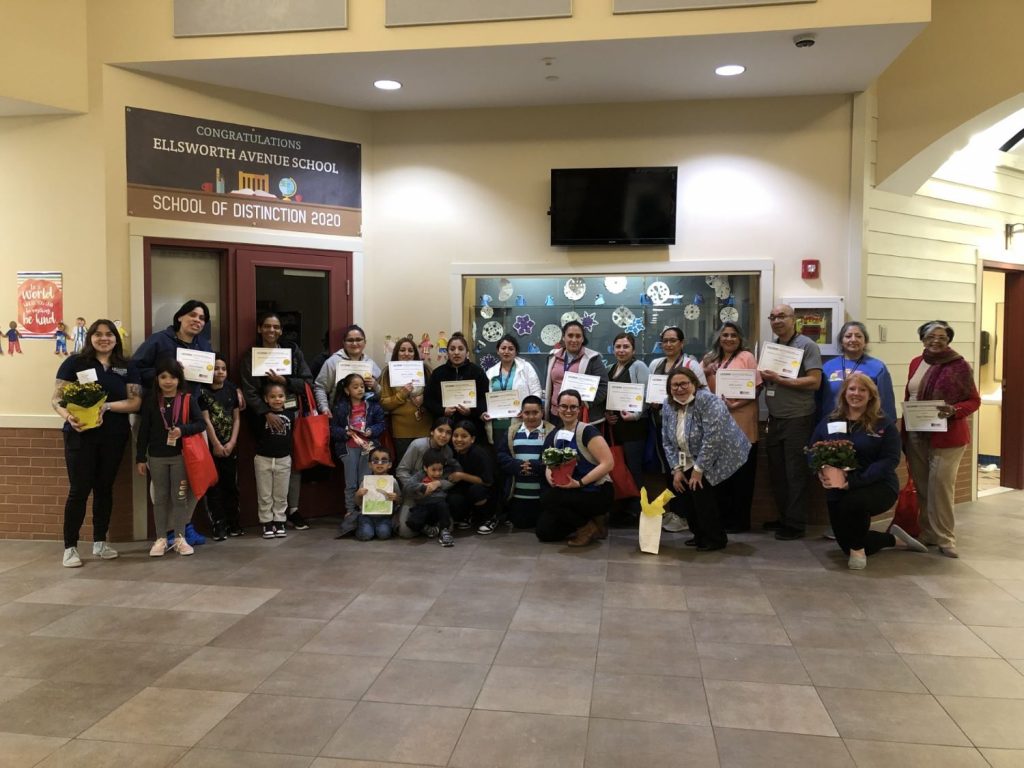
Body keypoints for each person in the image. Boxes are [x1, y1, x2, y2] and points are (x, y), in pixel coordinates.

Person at [810, 374, 929, 569]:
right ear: (844, 393)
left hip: (878, 486)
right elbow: (813, 448)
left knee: (853, 503)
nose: (856, 394)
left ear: (871, 395)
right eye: (852, 389)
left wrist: (854, 482)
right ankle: (893, 540)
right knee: (845, 544)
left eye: (862, 390)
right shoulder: (830, 420)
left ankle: (858, 552)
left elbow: (889, 460)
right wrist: (821, 472)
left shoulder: (883, 424)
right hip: (837, 488)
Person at [51, 319, 141, 567]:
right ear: (90, 337)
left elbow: (135, 402)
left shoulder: (126, 366)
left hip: (114, 436)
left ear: (116, 338)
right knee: (79, 490)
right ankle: (70, 547)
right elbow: (57, 399)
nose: (104, 338)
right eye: (98, 334)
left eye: (109, 334)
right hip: (80, 435)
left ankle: (100, 542)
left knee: (104, 489)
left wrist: (107, 406)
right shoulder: (75, 363)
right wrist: (68, 416)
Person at [903, 320, 980, 558]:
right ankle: (928, 533)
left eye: (942, 337)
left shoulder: (959, 366)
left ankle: (946, 538)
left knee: (942, 488)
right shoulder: (916, 362)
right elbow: (911, 395)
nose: (936, 340)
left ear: (948, 341)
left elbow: (973, 400)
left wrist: (954, 410)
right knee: (924, 487)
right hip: (917, 432)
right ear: (922, 339)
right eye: (931, 336)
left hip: (948, 437)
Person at [239, 311, 314, 531]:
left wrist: (285, 381)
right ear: (259, 329)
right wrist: (266, 413)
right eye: (268, 326)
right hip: (262, 418)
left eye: (276, 327)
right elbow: (249, 390)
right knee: (266, 466)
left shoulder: (292, 351)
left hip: (291, 413)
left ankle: (290, 511)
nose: (272, 330)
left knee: (291, 463)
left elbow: (306, 382)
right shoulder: (251, 355)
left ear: (281, 331)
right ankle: (267, 519)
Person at [661, 368, 750, 551]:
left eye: (684, 383)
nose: (679, 389)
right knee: (686, 497)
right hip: (688, 456)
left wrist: (698, 470)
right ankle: (699, 534)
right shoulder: (668, 404)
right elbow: (667, 440)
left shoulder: (708, 401)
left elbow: (712, 438)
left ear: (694, 383)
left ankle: (715, 539)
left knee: (703, 497)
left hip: (720, 455)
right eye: (674, 385)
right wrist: (676, 469)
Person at [761, 303, 823, 540]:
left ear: (793, 319)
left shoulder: (807, 345)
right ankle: (785, 517)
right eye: (773, 316)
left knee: (795, 472)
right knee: (777, 472)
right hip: (775, 418)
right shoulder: (773, 347)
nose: (777, 321)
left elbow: (814, 381)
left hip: (798, 418)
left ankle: (795, 524)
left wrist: (779, 379)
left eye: (782, 316)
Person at [135, 358, 206, 557]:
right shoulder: (150, 401)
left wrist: (182, 430)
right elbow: (143, 432)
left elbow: (201, 424)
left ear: (179, 379)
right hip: (156, 457)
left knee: (180, 497)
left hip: (180, 457)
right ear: (157, 378)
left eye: (173, 377)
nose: (168, 381)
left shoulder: (187, 400)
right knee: (160, 498)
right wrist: (140, 458)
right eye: (163, 377)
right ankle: (160, 539)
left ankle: (180, 537)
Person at [701, 322, 761, 533]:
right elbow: (697, 385)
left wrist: (736, 404)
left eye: (733, 335)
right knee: (719, 477)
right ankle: (721, 519)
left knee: (742, 478)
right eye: (724, 335)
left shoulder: (746, 357)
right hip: (717, 426)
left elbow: (756, 387)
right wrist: (705, 370)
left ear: (739, 338)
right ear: (718, 338)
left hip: (742, 423)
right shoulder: (710, 359)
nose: (728, 339)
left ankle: (739, 522)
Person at [536, 389, 615, 546]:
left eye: (573, 407)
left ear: (579, 409)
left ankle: (586, 528)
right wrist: (549, 476)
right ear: (557, 408)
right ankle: (591, 523)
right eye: (564, 406)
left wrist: (579, 483)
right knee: (545, 532)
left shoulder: (587, 431)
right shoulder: (555, 434)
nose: (568, 410)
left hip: (596, 491)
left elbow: (608, 463)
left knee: (548, 498)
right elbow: (548, 462)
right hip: (570, 491)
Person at [648, 325, 707, 531]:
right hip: (663, 426)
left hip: (687, 428)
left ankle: (685, 515)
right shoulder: (656, 364)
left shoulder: (691, 364)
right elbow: (650, 392)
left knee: (687, 468)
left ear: (681, 343)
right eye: (665, 340)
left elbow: (703, 393)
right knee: (670, 469)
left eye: (673, 340)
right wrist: (652, 402)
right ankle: (675, 512)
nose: (668, 344)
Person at [330, 373, 386, 537]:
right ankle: (349, 510)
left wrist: (371, 430)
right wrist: (345, 432)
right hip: (348, 448)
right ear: (347, 390)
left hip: (368, 448)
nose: (360, 389)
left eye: (362, 386)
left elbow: (381, 424)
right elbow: (333, 429)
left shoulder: (373, 405)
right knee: (351, 482)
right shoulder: (340, 407)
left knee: (366, 480)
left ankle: (364, 508)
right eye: (355, 387)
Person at [605, 332, 650, 520]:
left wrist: (636, 415)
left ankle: (637, 511)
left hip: (634, 428)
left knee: (634, 469)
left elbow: (647, 394)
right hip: (615, 429)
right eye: (618, 346)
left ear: (633, 350)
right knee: (618, 469)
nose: (621, 350)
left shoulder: (638, 366)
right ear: (613, 349)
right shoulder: (610, 368)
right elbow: (607, 398)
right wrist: (607, 414)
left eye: (626, 347)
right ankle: (621, 509)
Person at [395, 416, 461, 538]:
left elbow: (451, 478)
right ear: (432, 431)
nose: (443, 435)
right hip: (414, 494)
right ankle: (420, 523)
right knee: (406, 532)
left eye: (448, 433)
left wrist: (438, 484)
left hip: (435, 496)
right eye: (440, 430)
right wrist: (418, 489)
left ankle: (429, 525)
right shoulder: (417, 445)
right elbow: (401, 470)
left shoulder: (448, 452)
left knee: (449, 527)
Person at [495, 395, 555, 530]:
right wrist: (516, 465)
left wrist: (538, 466)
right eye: (527, 413)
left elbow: (556, 459)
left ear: (542, 413)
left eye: (535, 412)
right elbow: (501, 455)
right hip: (518, 496)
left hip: (542, 496)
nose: (531, 416)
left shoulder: (552, 432)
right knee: (521, 525)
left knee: (543, 527)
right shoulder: (512, 431)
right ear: (521, 413)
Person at [818, 321, 897, 422]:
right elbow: (819, 399)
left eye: (858, 336)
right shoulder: (827, 367)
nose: (853, 339)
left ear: (865, 341)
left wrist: (889, 426)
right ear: (841, 341)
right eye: (848, 336)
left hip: (866, 423)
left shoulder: (878, 367)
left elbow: (886, 401)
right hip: (832, 422)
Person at [200, 353, 241, 540]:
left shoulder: (232, 390)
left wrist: (231, 442)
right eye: (216, 368)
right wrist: (216, 444)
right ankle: (219, 524)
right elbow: (206, 420)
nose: (220, 372)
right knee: (213, 488)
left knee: (230, 486)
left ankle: (234, 523)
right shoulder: (201, 392)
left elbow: (236, 418)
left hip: (229, 446)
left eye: (223, 368)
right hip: (211, 447)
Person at [132, 300, 212, 391]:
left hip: (191, 401)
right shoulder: (159, 339)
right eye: (192, 315)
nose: (197, 320)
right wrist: (165, 373)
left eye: (202, 318)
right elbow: (135, 367)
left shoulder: (205, 346)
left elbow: (207, 377)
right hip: (159, 400)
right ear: (179, 317)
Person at [253, 382, 297, 539]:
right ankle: (267, 522)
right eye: (272, 396)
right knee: (264, 494)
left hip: (283, 459)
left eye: (280, 396)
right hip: (263, 458)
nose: (277, 399)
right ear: (265, 399)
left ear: (285, 398)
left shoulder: (291, 414)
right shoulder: (260, 415)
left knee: (281, 494)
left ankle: (280, 521)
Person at [543, 321, 609, 426]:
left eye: (578, 336)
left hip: (581, 416)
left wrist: (586, 403)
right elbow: (548, 385)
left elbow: (603, 387)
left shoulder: (593, 358)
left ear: (583, 339)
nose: (574, 340)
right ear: (563, 337)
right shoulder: (552, 357)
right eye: (570, 335)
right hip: (555, 415)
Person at [379, 336, 432, 465]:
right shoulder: (387, 373)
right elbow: (384, 404)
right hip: (401, 431)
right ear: (396, 353)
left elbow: (436, 395)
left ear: (415, 353)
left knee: (426, 467)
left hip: (425, 428)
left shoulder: (426, 370)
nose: (406, 354)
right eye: (402, 350)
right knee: (404, 467)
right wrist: (402, 394)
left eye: (410, 350)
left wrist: (424, 398)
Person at [424, 332, 489, 435]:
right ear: (447, 352)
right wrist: (443, 410)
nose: (456, 352)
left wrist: (471, 411)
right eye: (452, 349)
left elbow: (484, 399)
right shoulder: (438, 373)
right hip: (444, 429)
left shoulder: (477, 372)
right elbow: (428, 400)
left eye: (461, 349)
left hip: (472, 427)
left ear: (467, 352)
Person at [483, 334, 543, 446]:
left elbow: (536, 392)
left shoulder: (526, 368)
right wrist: (484, 412)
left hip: (519, 419)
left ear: (516, 351)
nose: (507, 351)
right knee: (498, 455)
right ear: (498, 351)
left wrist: (527, 410)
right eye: (503, 348)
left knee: (517, 453)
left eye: (511, 349)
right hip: (496, 424)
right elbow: (485, 397)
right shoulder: (490, 372)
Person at [315, 324, 381, 415]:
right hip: (339, 416)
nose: (354, 343)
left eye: (358, 339)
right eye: (350, 340)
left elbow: (382, 393)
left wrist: (375, 385)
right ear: (344, 343)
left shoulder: (371, 363)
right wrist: (324, 408)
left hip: (367, 417)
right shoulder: (333, 362)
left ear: (365, 342)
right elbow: (320, 387)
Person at [447, 421, 496, 533]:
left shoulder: (479, 453)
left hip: (487, 489)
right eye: (455, 436)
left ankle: (490, 518)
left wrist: (462, 476)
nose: (459, 439)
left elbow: (487, 481)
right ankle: (469, 516)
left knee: (476, 491)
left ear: (472, 439)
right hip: (465, 487)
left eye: (464, 436)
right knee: (453, 498)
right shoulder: (452, 451)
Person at [406, 449, 456, 547]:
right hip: (423, 505)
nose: (437, 474)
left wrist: (439, 483)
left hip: (439, 506)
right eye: (433, 470)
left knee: (443, 507)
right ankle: (429, 529)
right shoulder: (420, 475)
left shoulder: (444, 475)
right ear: (425, 468)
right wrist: (423, 487)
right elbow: (408, 487)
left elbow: (451, 482)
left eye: (440, 469)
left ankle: (444, 532)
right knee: (412, 522)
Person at [354, 447, 402, 541]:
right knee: (365, 535)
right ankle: (363, 528)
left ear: (389, 465)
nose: (379, 463)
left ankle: (376, 529)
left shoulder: (393, 481)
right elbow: (358, 503)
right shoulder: (366, 481)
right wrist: (358, 494)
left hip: (385, 516)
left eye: (384, 461)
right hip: (366, 516)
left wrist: (396, 498)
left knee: (383, 534)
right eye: (375, 461)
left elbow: (400, 500)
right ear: (369, 465)